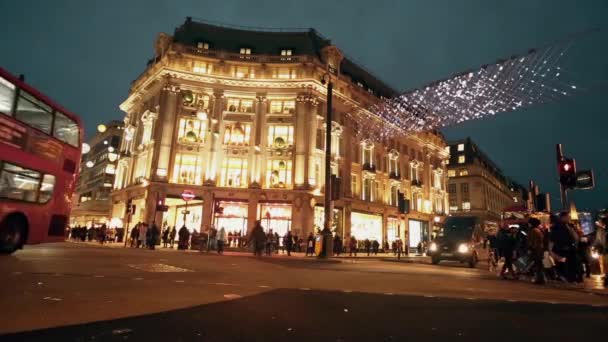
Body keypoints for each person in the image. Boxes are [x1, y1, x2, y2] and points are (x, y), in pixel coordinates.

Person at [550, 212, 577, 282]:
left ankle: (567, 278)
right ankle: (566, 278)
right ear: (563, 217)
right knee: (565, 265)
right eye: (567, 217)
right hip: (562, 250)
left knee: (567, 265)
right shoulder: (558, 227)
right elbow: (553, 239)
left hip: (566, 250)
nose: (569, 218)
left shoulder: (567, 226)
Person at [528, 218, 546, 284]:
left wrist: (531, 248)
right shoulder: (539, 230)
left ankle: (539, 279)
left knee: (537, 264)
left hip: (536, 250)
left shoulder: (533, 230)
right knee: (539, 264)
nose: (528, 224)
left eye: (529, 223)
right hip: (540, 249)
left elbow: (534, 241)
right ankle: (540, 278)